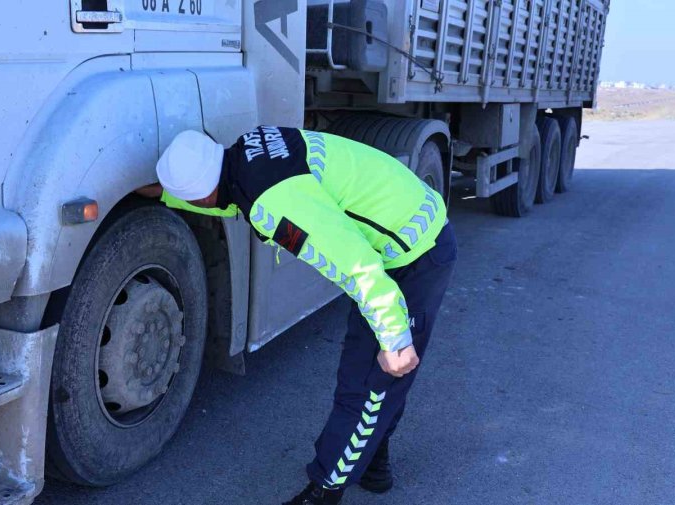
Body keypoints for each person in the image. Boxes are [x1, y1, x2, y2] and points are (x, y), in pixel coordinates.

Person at [136, 127, 457, 504]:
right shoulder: (245, 152)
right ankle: (374, 464)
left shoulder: (277, 204)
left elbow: (356, 265)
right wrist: (170, 192)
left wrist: (396, 338)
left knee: (371, 378)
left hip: (415, 253)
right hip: (408, 219)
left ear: (204, 193)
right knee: (376, 376)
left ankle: (326, 488)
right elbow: (227, 195)